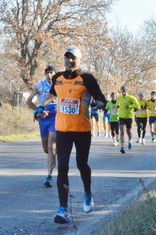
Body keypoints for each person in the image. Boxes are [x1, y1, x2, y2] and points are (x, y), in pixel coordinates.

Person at [38, 46, 106, 225]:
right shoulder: (58, 78)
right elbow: (50, 95)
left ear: (79, 60)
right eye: (67, 58)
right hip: (63, 130)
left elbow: (101, 98)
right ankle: (62, 209)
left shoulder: (87, 78)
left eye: (73, 58)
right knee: (63, 167)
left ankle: (88, 193)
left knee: (82, 164)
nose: (70, 61)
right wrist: (41, 106)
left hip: (82, 130)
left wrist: (99, 103)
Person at [26, 65, 57, 188]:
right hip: (43, 118)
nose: (50, 75)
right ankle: (53, 155)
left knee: (51, 147)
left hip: (56, 116)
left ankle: (49, 176)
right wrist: (38, 111)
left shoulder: (59, 85)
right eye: (47, 73)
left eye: (52, 73)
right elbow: (28, 101)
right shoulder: (40, 85)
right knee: (46, 149)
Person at [117, 85, 140, 154]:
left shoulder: (131, 98)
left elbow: (138, 106)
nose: (123, 93)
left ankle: (130, 141)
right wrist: (117, 106)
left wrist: (129, 106)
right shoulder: (119, 98)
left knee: (128, 132)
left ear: (127, 91)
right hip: (121, 117)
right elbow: (117, 104)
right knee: (122, 132)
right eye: (122, 91)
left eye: (124, 91)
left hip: (129, 117)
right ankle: (122, 147)